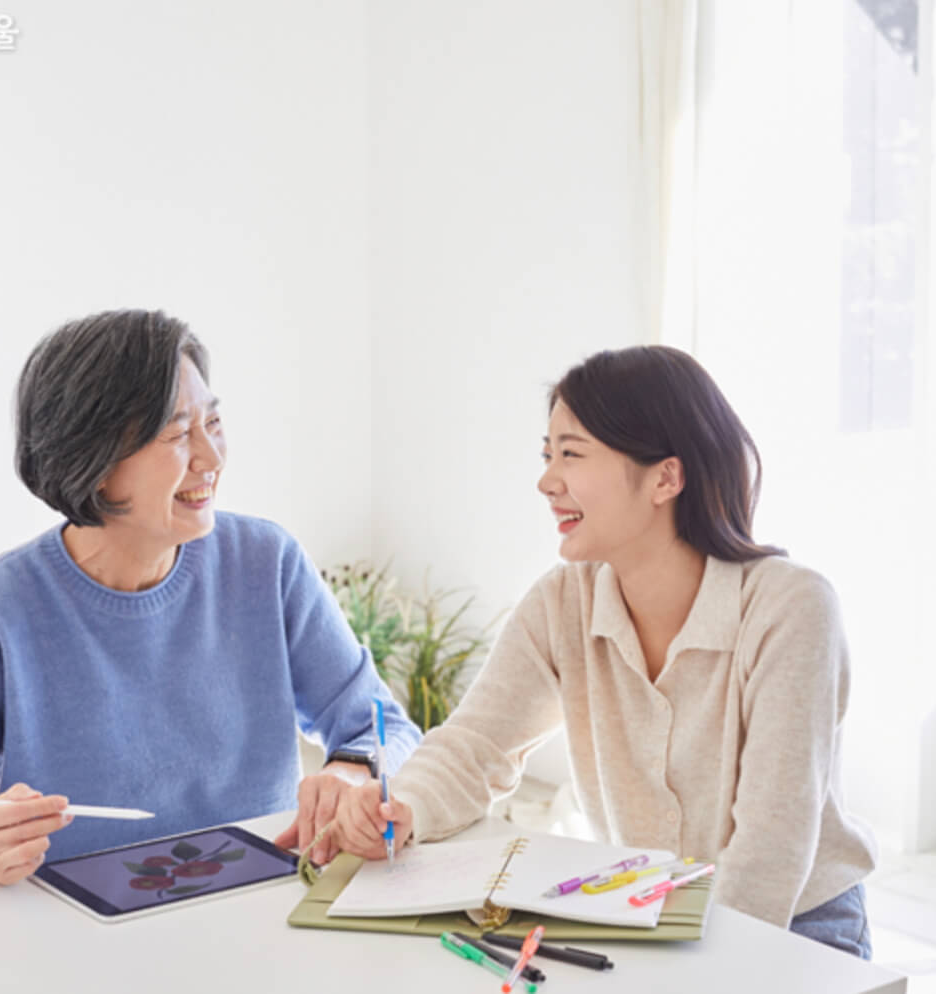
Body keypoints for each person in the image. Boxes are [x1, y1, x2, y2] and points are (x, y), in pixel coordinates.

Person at [320, 345, 878, 958]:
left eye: (571, 454)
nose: (546, 480)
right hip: (650, 913)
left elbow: (771, 849)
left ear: (666, 477)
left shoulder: (791, 607)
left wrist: (696, 971)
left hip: (796, 927)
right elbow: (475, 748)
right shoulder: (563, 603)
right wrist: (402, 807)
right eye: (546, 454)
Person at [0, 309, 419, 896]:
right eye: (178, 434)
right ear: (96, 466)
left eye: (214, 421)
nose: (212, 456)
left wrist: (351, 769)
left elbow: (383, 728)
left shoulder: (267, 563)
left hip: (258, 918)